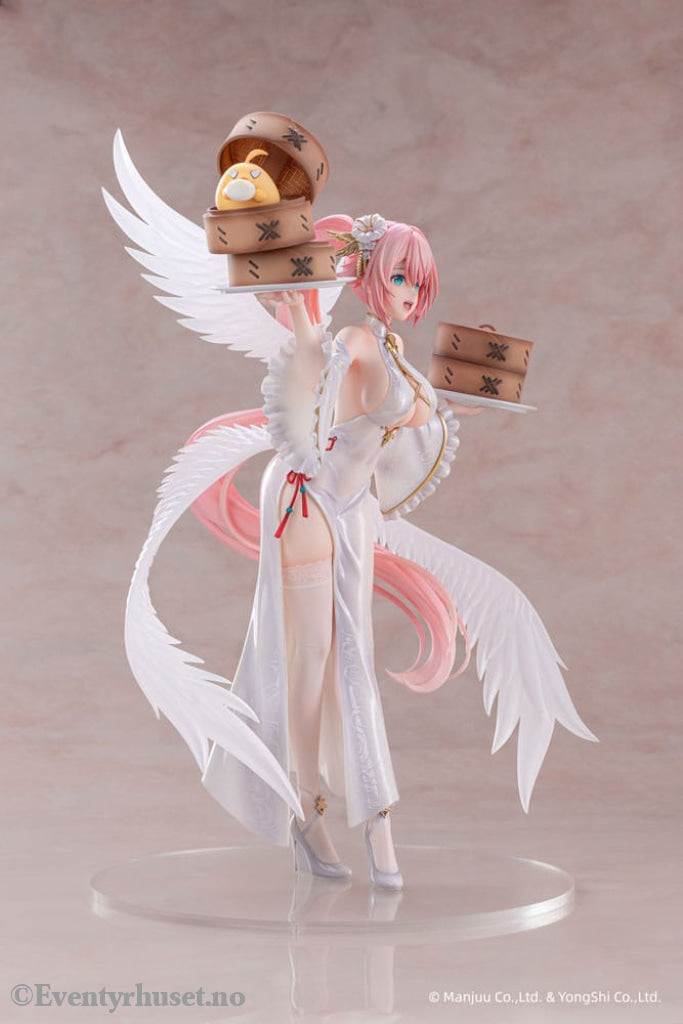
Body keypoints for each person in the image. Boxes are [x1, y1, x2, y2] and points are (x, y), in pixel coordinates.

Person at [106, 137, 597, 893]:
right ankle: (309, 811)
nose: (408, 290)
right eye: (398, 275)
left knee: (350, 658)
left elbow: (407, 419)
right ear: (369, 276)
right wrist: (299, 311)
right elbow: (328, 382)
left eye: (416, 281)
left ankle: (364, 822)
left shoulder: (391, 349)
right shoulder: (358, 340)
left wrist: (468, 390)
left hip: (353, 509)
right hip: (308, 498)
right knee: (309, 660)